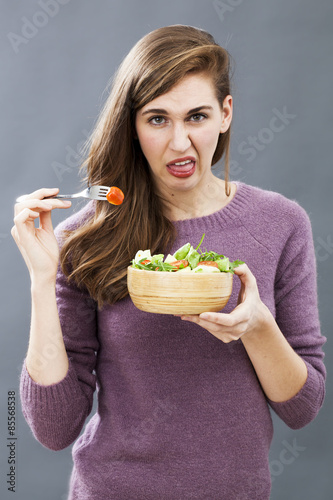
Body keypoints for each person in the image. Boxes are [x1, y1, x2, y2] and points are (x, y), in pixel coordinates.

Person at [12, 25, 326, 500]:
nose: (179, 143)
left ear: (225, 114)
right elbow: (55, 428)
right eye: (157, 119)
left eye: (196, 116)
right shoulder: (86, 236)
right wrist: (41, 279)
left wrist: (257, 325)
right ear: (133, 125)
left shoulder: (282, 223)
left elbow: (302, 408)